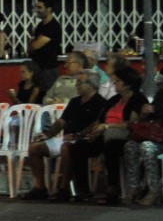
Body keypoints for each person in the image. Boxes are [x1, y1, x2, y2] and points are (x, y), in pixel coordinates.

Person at [21, 71, 106, 201]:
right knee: (34, 148)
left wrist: (77, 135)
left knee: (67, 147)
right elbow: (61, 121)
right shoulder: (74, 101)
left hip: (84, 139)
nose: (77, 85)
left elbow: (95, 124)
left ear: (91, 85)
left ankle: (64, 188)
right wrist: (48, 134)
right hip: (67, 137)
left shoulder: (100, 102)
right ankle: (40, 187)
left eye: (80, 82)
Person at [67, 66, 147, 205]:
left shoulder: (138, 99)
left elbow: (132, 124)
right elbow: (100, 120)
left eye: (117, 81)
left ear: (126, 84)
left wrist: (108, 126)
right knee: (79, 146)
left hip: (124, 137)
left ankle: (112, 188)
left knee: (111, 147)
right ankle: (83, 188)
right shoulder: (114, 99)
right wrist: (93, 132)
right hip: (104, 134)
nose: (114, 84)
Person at [124, 66, 163, 206]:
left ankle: (155, 188)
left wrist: (159, 111)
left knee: (147, 147)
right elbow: (146, 119)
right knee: (130, 145)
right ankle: (134, 185)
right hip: (156, 136)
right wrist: (145, 112)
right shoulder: (162, 95)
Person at [28, 0, 62, 92]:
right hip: (39, 69)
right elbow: (30, 47)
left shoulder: (53, 26)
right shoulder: (40, 25)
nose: (36, 10)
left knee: (47, 98)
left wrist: (33, 41)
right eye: (36, 7)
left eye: (40, 7)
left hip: (48, 70)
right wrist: (33, 41)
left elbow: (35, 45)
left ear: (49, 9)